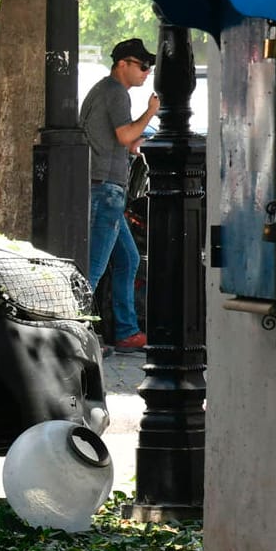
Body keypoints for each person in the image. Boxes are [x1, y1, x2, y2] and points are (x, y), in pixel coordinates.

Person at [80, 38, 160, 353]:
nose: (146, 72)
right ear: (122, 64)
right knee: (94, 268)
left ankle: (126, 331)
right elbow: (125, 135)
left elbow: (125, 142)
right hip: (105, 191)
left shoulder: (104, 91)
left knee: (127, 259)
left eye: (149, 67)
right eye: (142, 66)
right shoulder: (115, 93)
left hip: (107, 189)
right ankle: (79, 332)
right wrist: (151, 112)